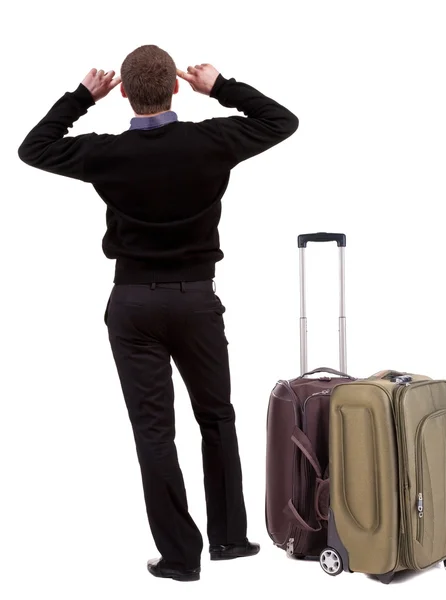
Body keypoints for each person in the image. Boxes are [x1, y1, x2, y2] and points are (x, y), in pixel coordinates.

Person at [18, 44, 299, 582]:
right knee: (216, 417)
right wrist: (220, 87)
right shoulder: (212, 141)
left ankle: (178, 557)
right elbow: (280, 120)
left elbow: (34, 148)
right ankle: (230, 539)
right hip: (195, 301)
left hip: (132, 306)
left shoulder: (106, 153)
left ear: (122, 92)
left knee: (154, 433)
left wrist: (81, 97)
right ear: (175, 89)